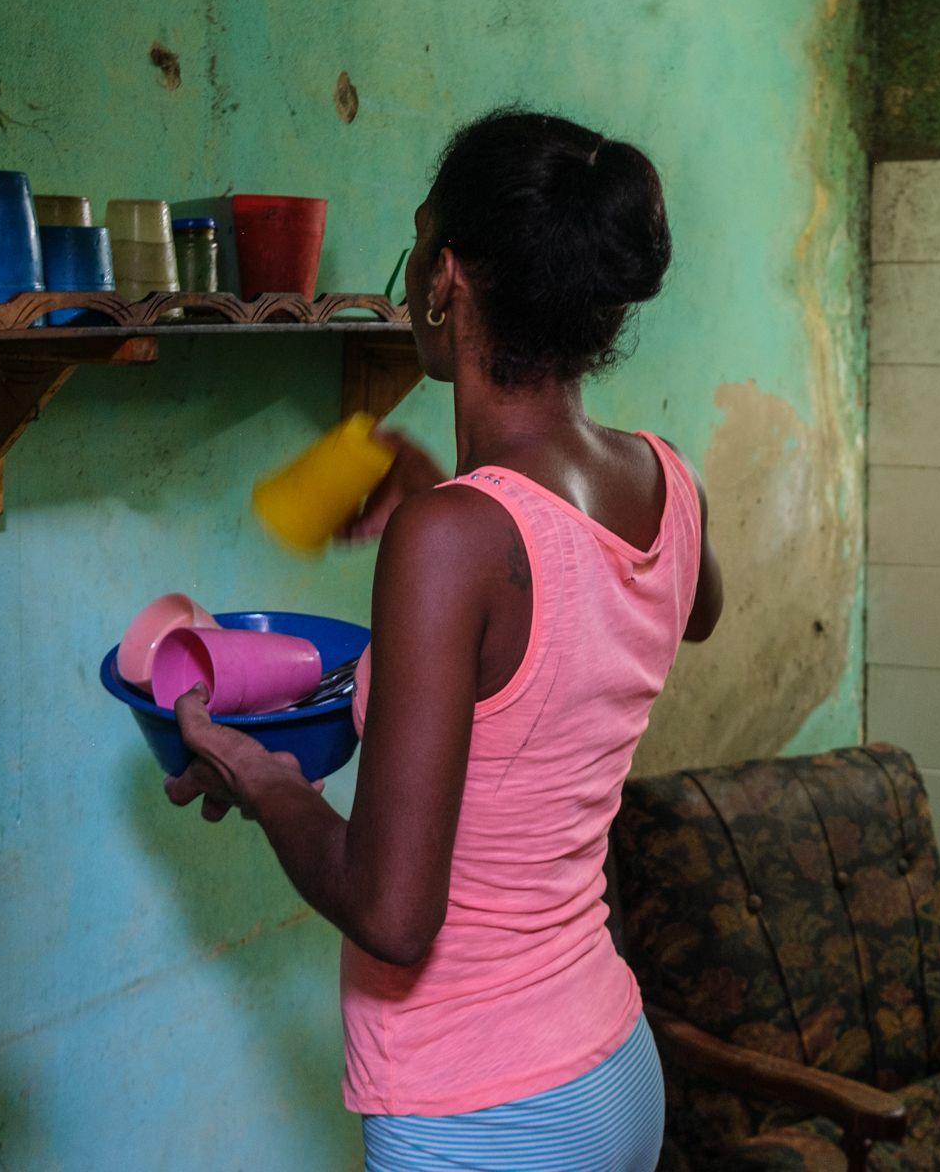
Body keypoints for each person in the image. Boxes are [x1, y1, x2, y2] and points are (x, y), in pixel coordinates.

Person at [165, 109, 723, 1171]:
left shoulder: (454, 539)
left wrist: (260, 774)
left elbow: (393, 912)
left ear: (447, 276)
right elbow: (673, 606)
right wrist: (460, 520)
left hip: (484, 1109)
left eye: (417, 242)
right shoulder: (665, 477)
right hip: (611, 1066)